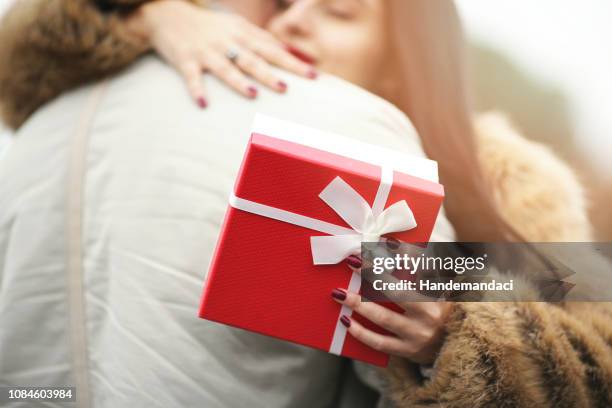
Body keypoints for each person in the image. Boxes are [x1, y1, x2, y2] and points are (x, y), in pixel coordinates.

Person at [0, 0, 611, 407]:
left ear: (405, 61)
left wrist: (456, 334)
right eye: (286, 3)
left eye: (337, 11)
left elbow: (598, 362)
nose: (293, 22)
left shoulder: (512, 181)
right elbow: (24, 73)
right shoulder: (216, 132)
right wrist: (150, 17)